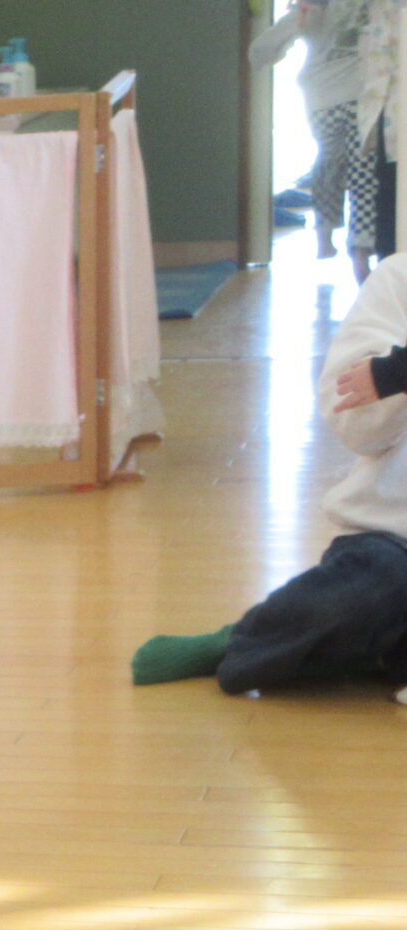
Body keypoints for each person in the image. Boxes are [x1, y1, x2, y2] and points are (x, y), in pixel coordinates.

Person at [135, 249, 407, 695]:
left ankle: (364, 650)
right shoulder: (398, 279)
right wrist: (399, 373)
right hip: (393, 544)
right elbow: (353, 420)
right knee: (370, 584)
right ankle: (245, 638)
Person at [252, 1, 381, 274]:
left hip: (329, 96)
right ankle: (359, 249)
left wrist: (271, 53)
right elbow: (264, 49)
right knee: (363, 172)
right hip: (353, 94)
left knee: (335, 163)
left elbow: (261, 51)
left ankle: (332, 236)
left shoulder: (313, 7)